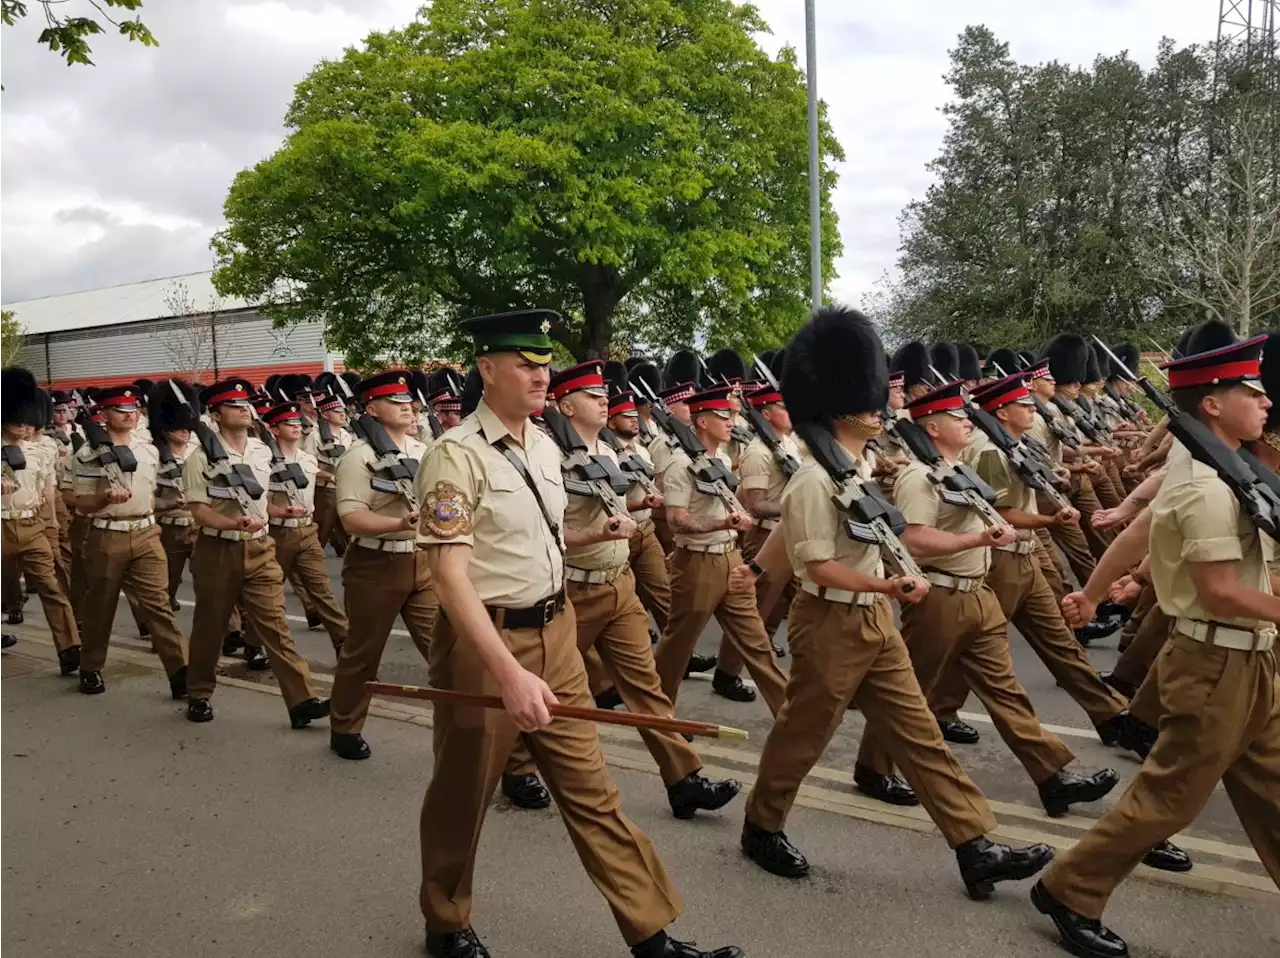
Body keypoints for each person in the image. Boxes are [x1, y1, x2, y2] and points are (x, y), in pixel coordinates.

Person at [415, 309, 743, 958]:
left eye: (545, 365)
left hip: (555, 630)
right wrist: (508, 674)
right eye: (525, 364)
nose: (541, 376)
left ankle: (652, 936)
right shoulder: (454, 457)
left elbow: (545, 537)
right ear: (487, 369)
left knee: (593, 791)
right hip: (488, 647)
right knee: (463, 795)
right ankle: (445, 922)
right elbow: (450, 578)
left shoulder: (543, 445)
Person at [732, 306, 1052, 899]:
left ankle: (974, 844)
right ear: (838, 404)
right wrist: (886, 586)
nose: (881, 408)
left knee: (919, 733)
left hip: (875, 619)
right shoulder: (810, 478)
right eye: (868, 398)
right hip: (829, 620)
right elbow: (816, 561)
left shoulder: (856, 464)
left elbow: (798, 539)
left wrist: (759, 570)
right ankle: (762, 824)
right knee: (804, 734)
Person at [1032, 334, 1280, 958]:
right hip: (1217, 660)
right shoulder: (1206, 484)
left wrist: (1097, 591)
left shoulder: (1229, 468)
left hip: (1252, 656)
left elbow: (1142, 529)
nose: (1266, 400)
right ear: (1214, 405)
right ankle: (1070, 889)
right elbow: (1220, 590)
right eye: (1251, 391)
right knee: (1167, 799)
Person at [849, 380, 1121, 818]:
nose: (966, 421)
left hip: (979, 594)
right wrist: (977, 537)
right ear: (933, 428)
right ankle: (872, 766)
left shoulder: (959, 471)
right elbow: (914, 541)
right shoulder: (919, 477)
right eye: (957, 417)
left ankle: (1053, 776)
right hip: (939, 595)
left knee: (1006, 692)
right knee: (910, 691)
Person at [548, 360, 740, 818]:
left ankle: (683, 779)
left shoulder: (609, 454)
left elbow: (608, 507)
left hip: (620, 587)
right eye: (593, 396)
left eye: (603, 394)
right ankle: (514, 765)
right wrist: (601, 535)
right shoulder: (550, 457)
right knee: (549, 688)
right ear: (567, 404)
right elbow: (550, 531)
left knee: (647, 689)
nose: (604, 401)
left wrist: (636, 506)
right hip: (576, 591)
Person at [181, 378, 329, 728]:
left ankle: (301, 700)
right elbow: (199, 510)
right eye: (234, 405)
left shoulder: (263, 450)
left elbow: (264, 501)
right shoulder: (200, 458)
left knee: (275, 626)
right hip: (219, 548)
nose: (244, 409)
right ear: (215, 413)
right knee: (211, 626)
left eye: (246, 403)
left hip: (261, 546)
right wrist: (231, 524)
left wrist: (277, 514)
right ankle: (199, 693)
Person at [651, 382, 788, 716]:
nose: (731, 421)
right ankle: (659, 715)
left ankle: (790, 713)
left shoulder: (723, 461)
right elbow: (676, 519)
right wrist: (721, 525)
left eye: (730, 414)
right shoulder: (680, 465)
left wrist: (735, 525)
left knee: (756, 641)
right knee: (677, 645)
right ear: (702, 421)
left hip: (730, 557)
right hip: (697, 562)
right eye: (722, 415)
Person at [328, 370, 434, 761]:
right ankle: (345, 725)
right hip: (375, 562)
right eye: (394, 401)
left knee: (444, 649)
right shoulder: (358, 458)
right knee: (363, 652)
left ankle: (465, 726)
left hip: (423, 563)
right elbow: (351, 518)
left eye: (409, 400)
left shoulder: (425, 452)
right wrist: (398, 523)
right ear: (371, 408)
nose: (407, 405)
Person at [72, 383, 188, 698]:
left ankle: (180, 673)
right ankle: (91, 666)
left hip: (147, 532)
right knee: (101, 605)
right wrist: (103, 498)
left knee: (159, 605)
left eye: (134, 409)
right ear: (105, 414)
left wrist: (174, 503)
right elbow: (80, 503)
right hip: (107, 534)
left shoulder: (149, 449)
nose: (130, 415)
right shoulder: (89, 452)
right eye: (121, 410)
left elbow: (149, 497)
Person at [0, 367, 81, 674]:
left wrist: (52, 528)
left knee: (51, 586)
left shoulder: (38, 452)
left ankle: (69, 647)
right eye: (16, 420)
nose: (23, 427)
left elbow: (46, 493)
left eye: (27, 421)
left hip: (32, 525)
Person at [263, 401, 349, 657]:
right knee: (268, 593)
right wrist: (279, 512)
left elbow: (320, 475)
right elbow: (257, 501)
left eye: (297, 423)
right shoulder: (265, 461)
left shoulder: (307, 459)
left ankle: (344, 647)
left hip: (307, 531)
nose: (296, 427)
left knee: (323, 592)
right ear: (275, 429)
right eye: (288, 424)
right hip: (278, 532)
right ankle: (255, 644)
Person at [148, 380, 200, 612]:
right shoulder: (153, 457)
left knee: (211, 581)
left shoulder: (199, 454)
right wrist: (169, 503)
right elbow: (147, 500)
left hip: (199, 526)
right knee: (167, 582)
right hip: (169, 527)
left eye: (188, 428)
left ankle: (231, 631)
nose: (186, 432)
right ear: (167, 428)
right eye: (180, 428)